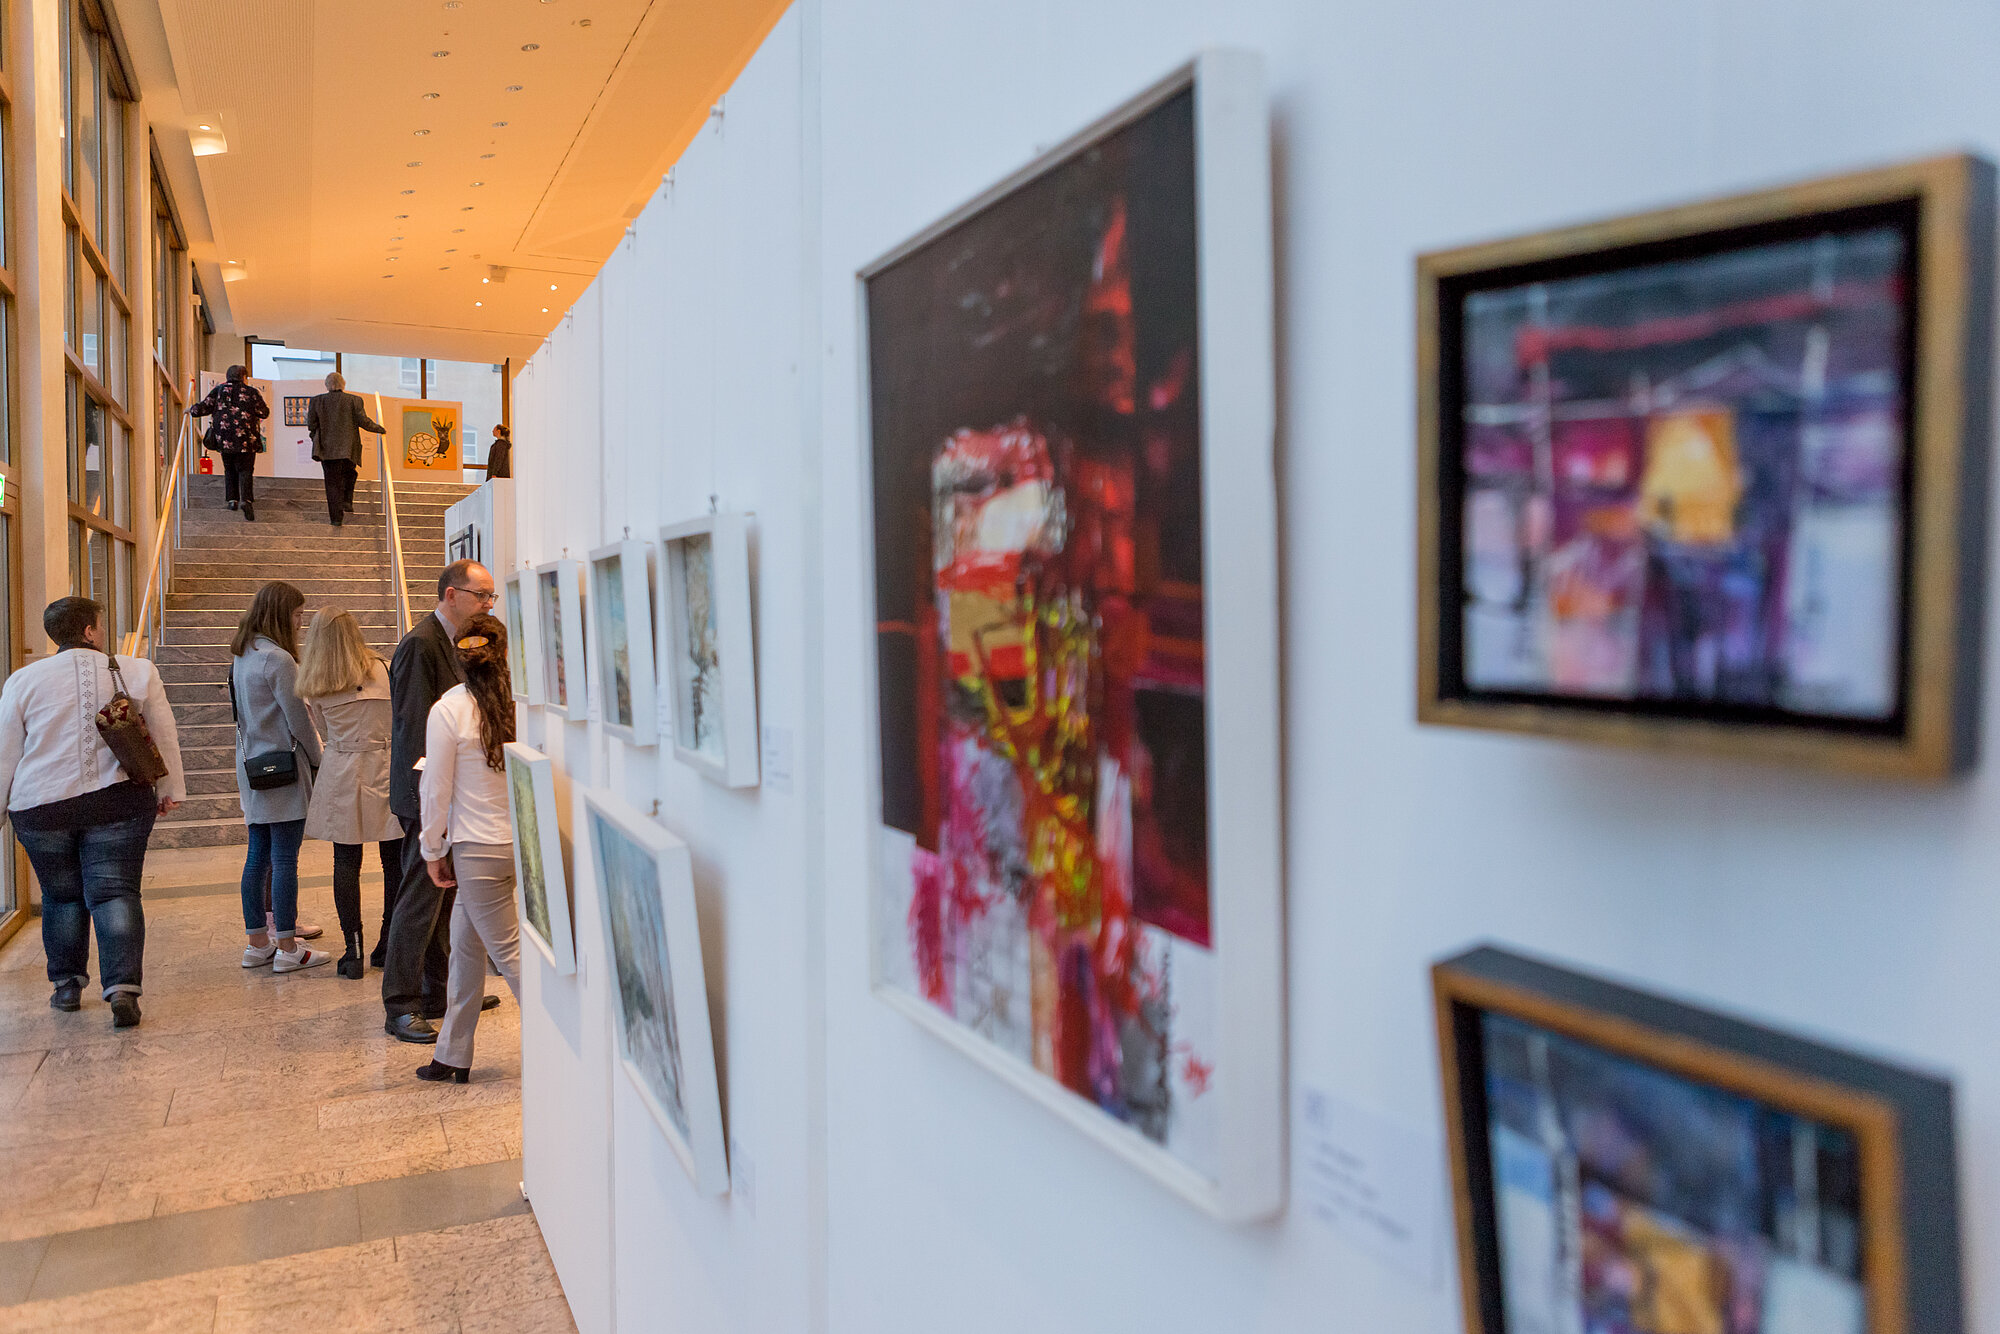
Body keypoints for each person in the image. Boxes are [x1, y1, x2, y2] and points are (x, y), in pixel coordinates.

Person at [0, 597, 184, 1027]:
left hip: (41, 808)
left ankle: (66, 987)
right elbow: (162, 733)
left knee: (61, 897)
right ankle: (122, 990)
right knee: (115, 892)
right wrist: (169, 788)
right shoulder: (136, 670)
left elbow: (6, 752)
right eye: (102, 625)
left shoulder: (23, 680)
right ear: (88, 631)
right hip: (118, 801)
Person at [382, 558, 499, 1043]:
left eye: (492, 596)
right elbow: (414, 732)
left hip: (445, 792)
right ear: (452, 595)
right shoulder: (420, 644)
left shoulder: (456, 644)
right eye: (483, 595)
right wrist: (429, 804)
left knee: (442, 900)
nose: (490, 605)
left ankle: (437, 989)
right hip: (423, 794)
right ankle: (400, 1003)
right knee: (418, 898)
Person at [414, 613, 521, 1082]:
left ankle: (566, 1055)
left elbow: (435, 790)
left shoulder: (449, 709)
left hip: (476, 849)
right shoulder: (520, 703)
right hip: (517, 843)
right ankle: (452, 1054)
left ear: (458, 655)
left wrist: (431, 849)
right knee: (464, 947)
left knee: (513, 959)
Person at [297, 608, 404, 979]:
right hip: (386, 767)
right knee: (394, 861)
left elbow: (323, 730)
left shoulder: (315, 679)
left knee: (345, 862)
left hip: (342, 768)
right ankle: (389, 942)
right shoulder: (384, 668)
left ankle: (353, 949)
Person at [231, 581, 332, 973]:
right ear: (279, 614)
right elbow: (299, 721)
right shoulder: (278, 660)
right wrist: (320, 758)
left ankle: (258, 943)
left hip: (253, 767)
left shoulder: (243, 654)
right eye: (296, 614)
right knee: (285, 858)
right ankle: (288, 946)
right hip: (283, 770)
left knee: (257, 855)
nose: (300, 621)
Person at [305, 371, 387, 527]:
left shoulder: (317, 401)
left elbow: (312, 425)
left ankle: (336, 518)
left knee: (332, 483)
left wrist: (316, 438)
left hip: (327, 450)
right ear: (343, 384)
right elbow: (363, 421)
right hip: (348, 449)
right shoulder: (354, 400)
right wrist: (380, 429)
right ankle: (346, 501)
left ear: (327, 385)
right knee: (350, 473)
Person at [189, 365, 270, 521]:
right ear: (244, 377)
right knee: (246, 469)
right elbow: (264, 412)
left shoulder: (219, 390)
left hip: (224, 439)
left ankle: (232, 500)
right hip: (247, 439)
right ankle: (246, 500)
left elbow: (203, 408)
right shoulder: (251, 392)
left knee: (229, 469)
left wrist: (190, 409)